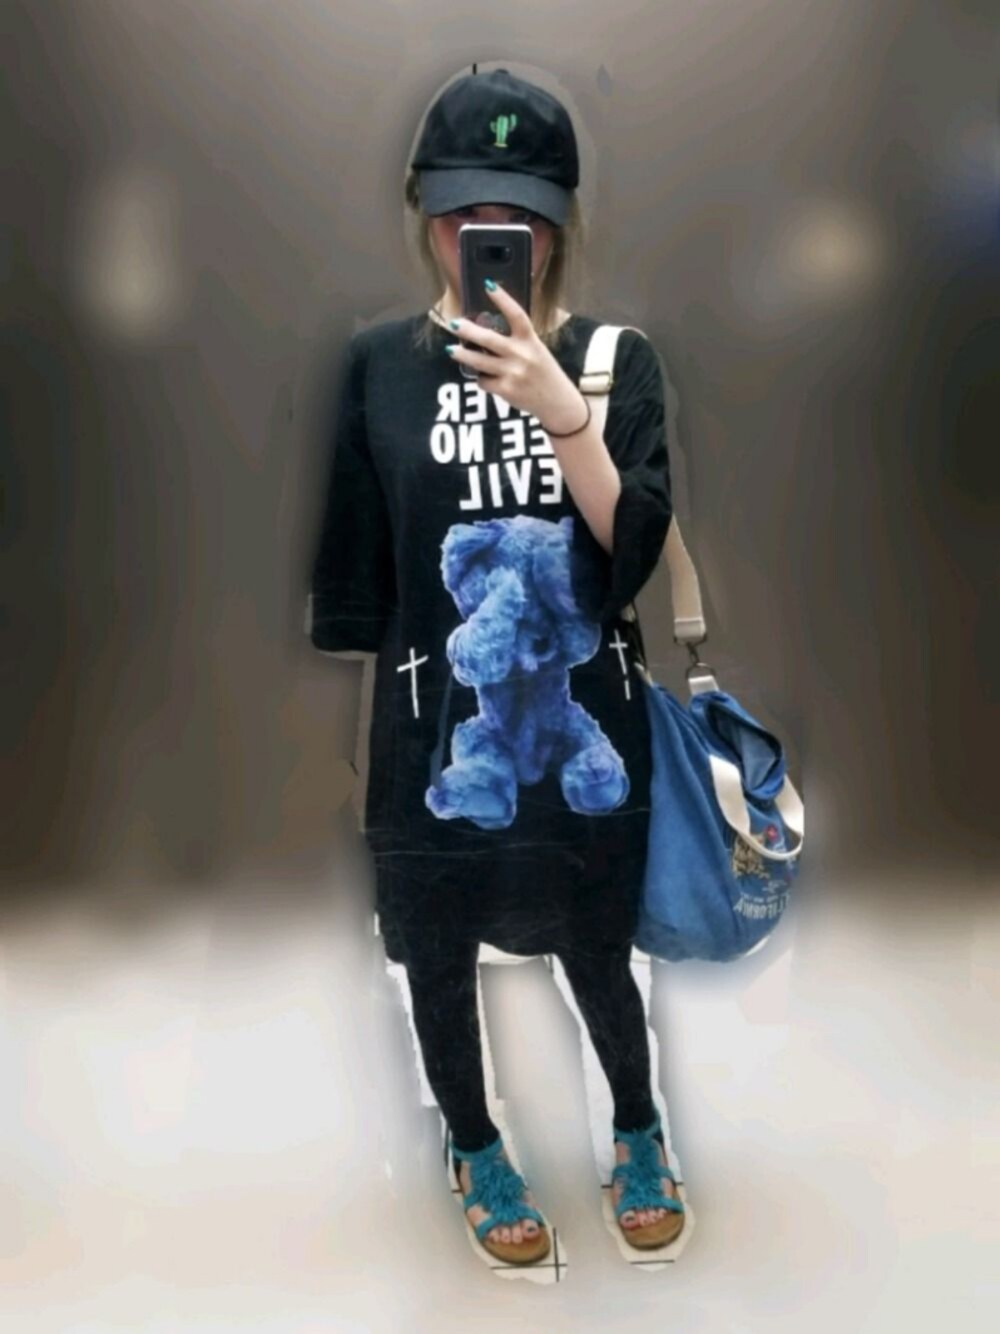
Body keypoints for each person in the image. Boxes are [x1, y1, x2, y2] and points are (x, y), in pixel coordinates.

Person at [307, 66, 684, 1266]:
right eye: (465, 211)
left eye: (517, 215)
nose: (489, 233)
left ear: (556, 227)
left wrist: (561, 411)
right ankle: (473, 1140)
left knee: (598, 950)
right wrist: (359, 737)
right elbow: (361, 561)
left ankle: (637, 1125)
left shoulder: (616, 363)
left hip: (586, 723)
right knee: (435, 950)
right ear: (425, 214)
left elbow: (630, 554)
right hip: (432, 728)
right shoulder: (378, 365)